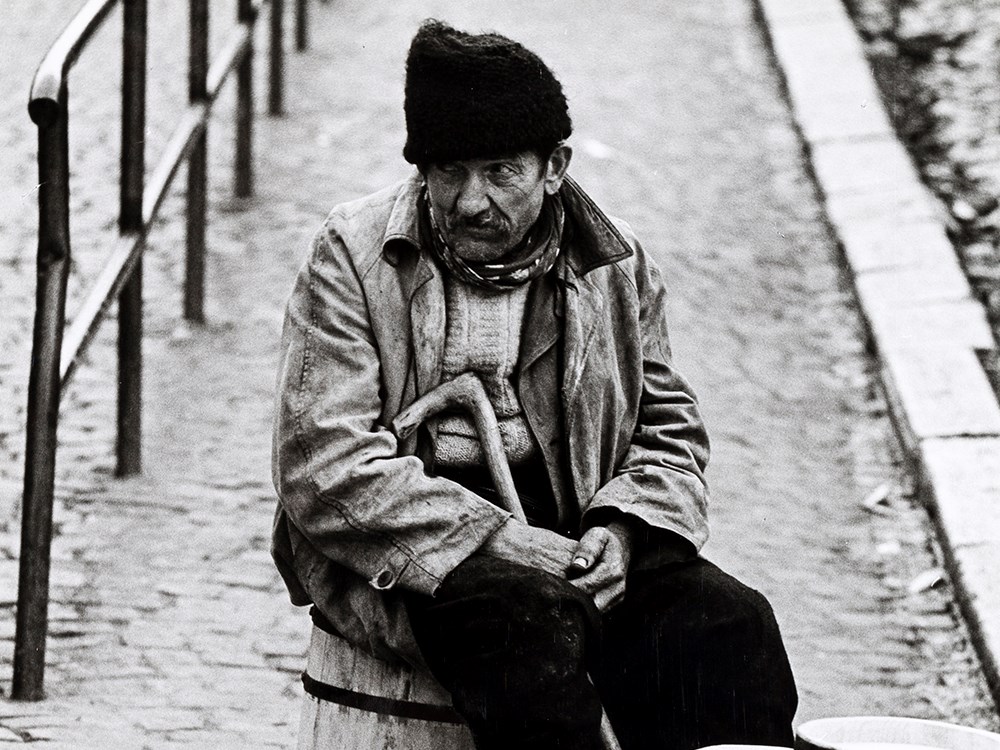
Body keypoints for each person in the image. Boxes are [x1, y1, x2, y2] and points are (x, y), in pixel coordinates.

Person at [271, 19, 798, 750]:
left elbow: (669, 433)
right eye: (447, 172)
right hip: (415, 542)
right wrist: (503, 542)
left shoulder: (615, 265)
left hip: (576, 524)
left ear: (555, 166)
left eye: (500, 172)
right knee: (530, 633)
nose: (469, 200)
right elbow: (321, 462)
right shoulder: (352, 256)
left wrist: (623, 528)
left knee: (727, 624)